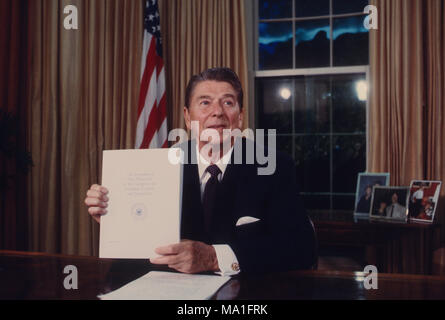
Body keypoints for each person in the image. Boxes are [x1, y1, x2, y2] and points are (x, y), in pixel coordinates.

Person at [85, 67, 316, 275]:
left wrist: (214, 258)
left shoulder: (273, 166)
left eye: (228, 102)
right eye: (205, 103)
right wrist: (115, 221)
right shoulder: (160, 167)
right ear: (187, 116)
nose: (217, 112)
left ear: (241, 116)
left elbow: (299, 248)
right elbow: (143, 252)